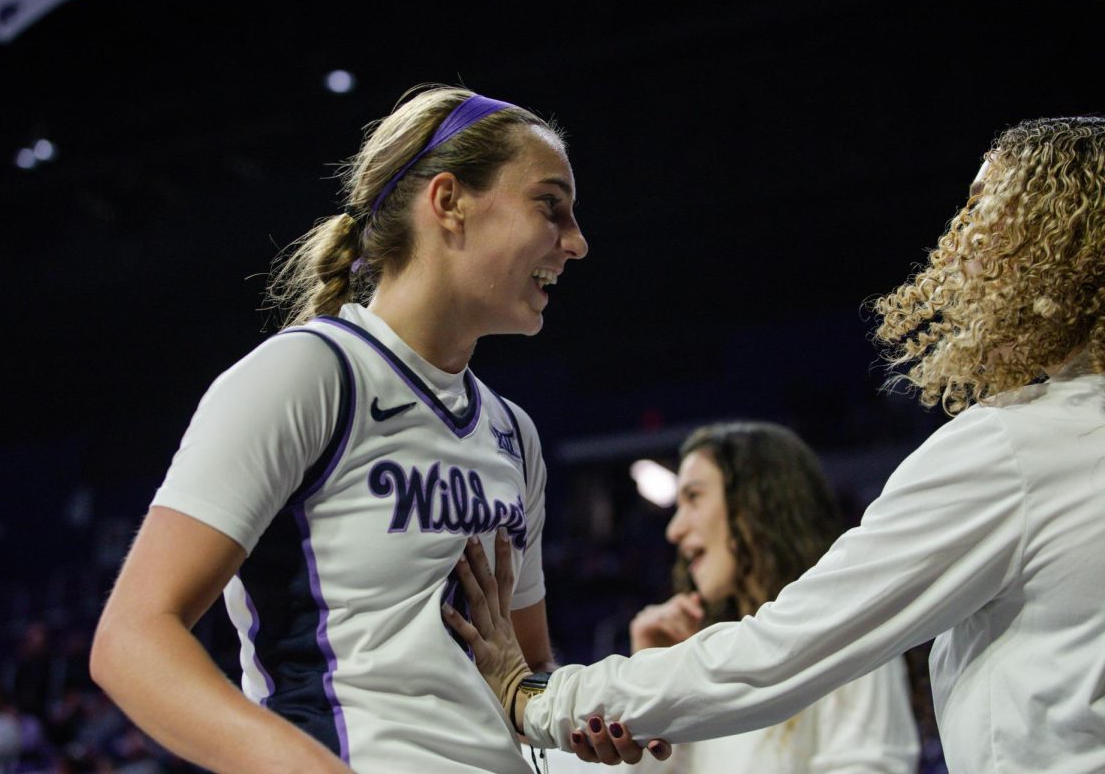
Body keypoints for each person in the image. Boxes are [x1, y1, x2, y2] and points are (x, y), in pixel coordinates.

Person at [445, 116, 1105, 773]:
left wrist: (539, 699)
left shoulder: (1019, 445)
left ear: (1055, 243)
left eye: (981, 213)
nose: (959, 248)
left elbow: (777, 655)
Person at [90, 85, 597, 773]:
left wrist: (591, 721)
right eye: (551, 206)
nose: (576, 242)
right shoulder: (310, 374)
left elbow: (527, 673)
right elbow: (131, 638)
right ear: (449, 202)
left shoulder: (515, 434)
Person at [625, 422, 918, 772]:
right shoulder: (707, 656)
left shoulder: (845, 636)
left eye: (694, 498)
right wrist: (650, 680)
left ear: (753, 506)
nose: (674, 530)